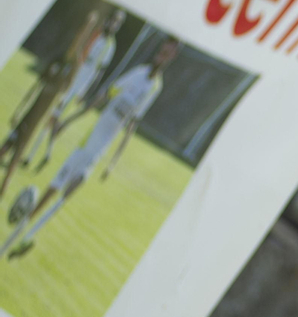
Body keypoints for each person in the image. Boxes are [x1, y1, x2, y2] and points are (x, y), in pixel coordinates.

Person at [2, 39, 180, 261]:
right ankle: (22, 228)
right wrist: (69, 121)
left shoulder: (155, 88)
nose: (162, 56)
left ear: (171, 58)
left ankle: (29, 236)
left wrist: (113, 161)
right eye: (162, 51)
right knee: (54, 188)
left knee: (73, 187)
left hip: (99, 150)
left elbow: (132, 123)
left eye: (167, 54)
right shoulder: (138, 74)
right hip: (87, 142)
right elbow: (104, 96)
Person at [28, 9, 123, 171]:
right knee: (52, 114)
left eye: (117, 23)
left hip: (79, 86)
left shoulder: (110, 46)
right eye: (112, 20)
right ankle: (43, 153)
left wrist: (86, 92)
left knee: (55, 116)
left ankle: (36, 153)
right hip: (69, 78)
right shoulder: (96, 34)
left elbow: (99, 72)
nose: (113, 24)